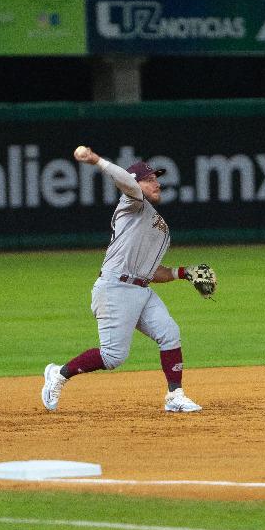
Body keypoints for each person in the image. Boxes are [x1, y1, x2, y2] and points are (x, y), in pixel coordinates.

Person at [41, 145, 203, 413]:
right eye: (149, 179)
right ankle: (59, 374)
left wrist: (182, 273)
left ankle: (175, 395)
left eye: (157, 178)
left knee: (170, 334)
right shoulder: (131, 203)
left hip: (141, 289)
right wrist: (96, 161)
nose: (157, 183)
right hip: (115, 287)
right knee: (113, 357)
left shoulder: (159, 226)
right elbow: (125, 181)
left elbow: (151, 271)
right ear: (136, 184)